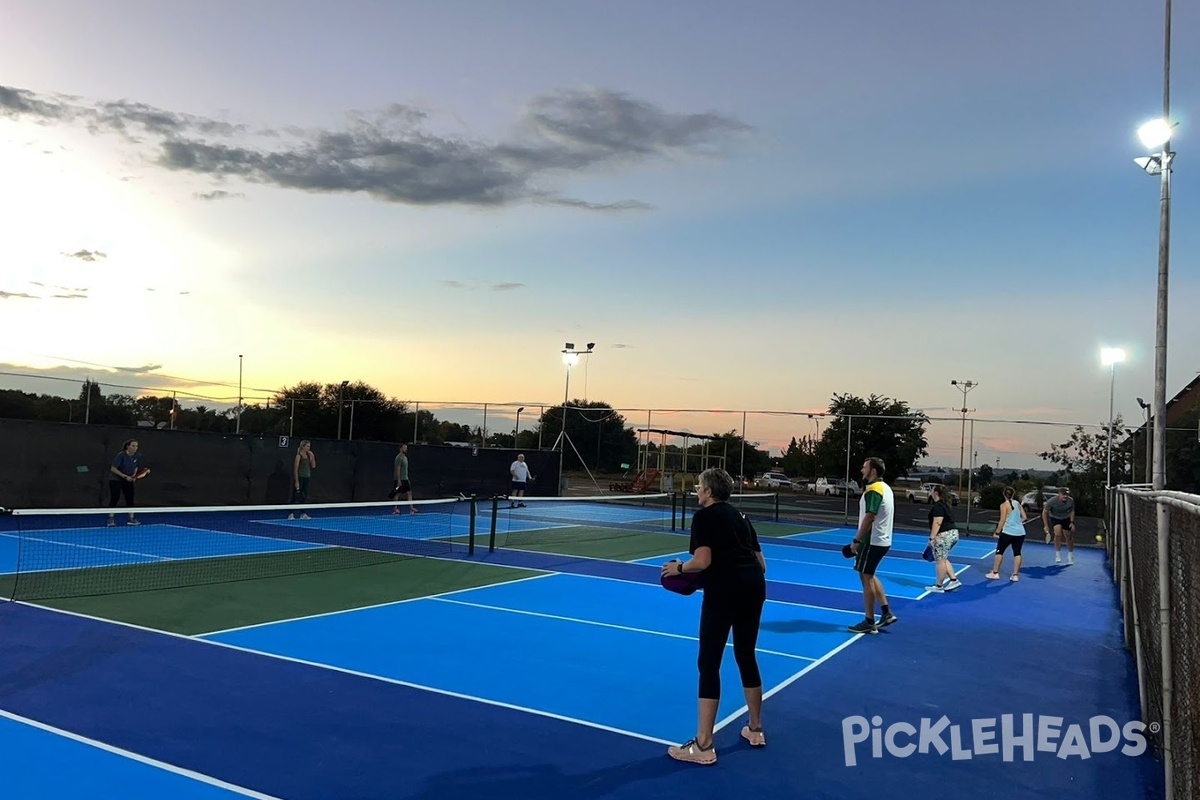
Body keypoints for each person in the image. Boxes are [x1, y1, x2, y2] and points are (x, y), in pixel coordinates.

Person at [661, 467, 767, 765]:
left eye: (699, 486)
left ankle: (704, 745)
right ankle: (756, 729)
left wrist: (679, 569)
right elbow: (761, 563)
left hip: (724, 591)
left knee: (709, 661)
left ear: (708, 492)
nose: (697, 490)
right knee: (746, 654)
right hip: (754, 587)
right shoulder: (742, 517)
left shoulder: (704, 517)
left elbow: (702, 560)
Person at [848, 457, 896, 634]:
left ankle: (869, 621)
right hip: (882, 540)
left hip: (872, 540)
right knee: (870, 574)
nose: (862, 470)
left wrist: (856, 541)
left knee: (865, 577)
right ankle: (886, 612)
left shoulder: (874, 490)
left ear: (873, 471)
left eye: (864, 467)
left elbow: (870, 516)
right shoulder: (886, 488)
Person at [925, 484, 962, 593]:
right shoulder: (945, 505)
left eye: (932, 490)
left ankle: (939, 586)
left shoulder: (938, 506)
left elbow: (937, 522)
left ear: (936, 493)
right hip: (953, 533)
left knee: (940, 561)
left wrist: (932, 538)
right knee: (943, 558)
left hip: (944, 535)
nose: (930, 491)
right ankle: (953, 580)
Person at [987, 486, 1028, 581]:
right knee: (1017, 553)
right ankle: (1015, 575)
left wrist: (997, 532)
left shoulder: (1003, 505)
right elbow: (1025, 517)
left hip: (1007, 533)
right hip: (1020, 533)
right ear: (1013, 494)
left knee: (999, 551)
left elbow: (1002, 520)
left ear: (1004, 494)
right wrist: (1017, 523)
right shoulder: (1017, 503)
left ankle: (995, 573)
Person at [107, 438, 143, 526]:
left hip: (129, 479)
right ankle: (111, 519)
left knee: (130, 498)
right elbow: (113, 468)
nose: (135, 448)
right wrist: (125, 476)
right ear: (128, 446)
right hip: (115, 480)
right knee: (115, 498)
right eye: (133, 446)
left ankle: (131, 519)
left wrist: (133, 476)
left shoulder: (137, 455)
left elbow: (136, 467)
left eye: (136, 446)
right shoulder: (121, 455)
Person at [1042, 487, 1075, 565]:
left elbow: (1072, 511)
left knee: (1068, 536)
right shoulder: (1052, 501)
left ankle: (1070, 555)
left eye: (1066, 495)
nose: (1065, 496)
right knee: (1057, 534)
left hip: (1066, 518)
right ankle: (1058, 555)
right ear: (1059, 494)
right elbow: (1044, 512)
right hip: (1055, 517)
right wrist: (1046, 526)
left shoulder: (1071, 501)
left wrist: (1072, 522)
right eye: (1063, 495)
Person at [287, 440, 316, 520]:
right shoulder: (298, 456)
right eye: (307, 446)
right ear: (303, 446)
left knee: (304, 496)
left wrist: (312, 456)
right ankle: (291, 513)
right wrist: (297, 481)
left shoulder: (309, 455)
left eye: (309, 446)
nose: (309, 448)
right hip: (300, 477)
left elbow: (313, 466)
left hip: (307, 477)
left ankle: (303, 513)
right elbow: (295, 469)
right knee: (295, 496)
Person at [390, 443, 417, 514]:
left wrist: (407, 478)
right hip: (399, 479)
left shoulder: (405, 458)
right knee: (397, 494)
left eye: (406, 448)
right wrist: (398, 480)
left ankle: (411, 508)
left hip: (405, 479)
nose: (406, 449)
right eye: (404, 448)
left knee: (409, 493)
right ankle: (395, 509)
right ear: (400, 448)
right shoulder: (398, 458)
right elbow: (397, 469)